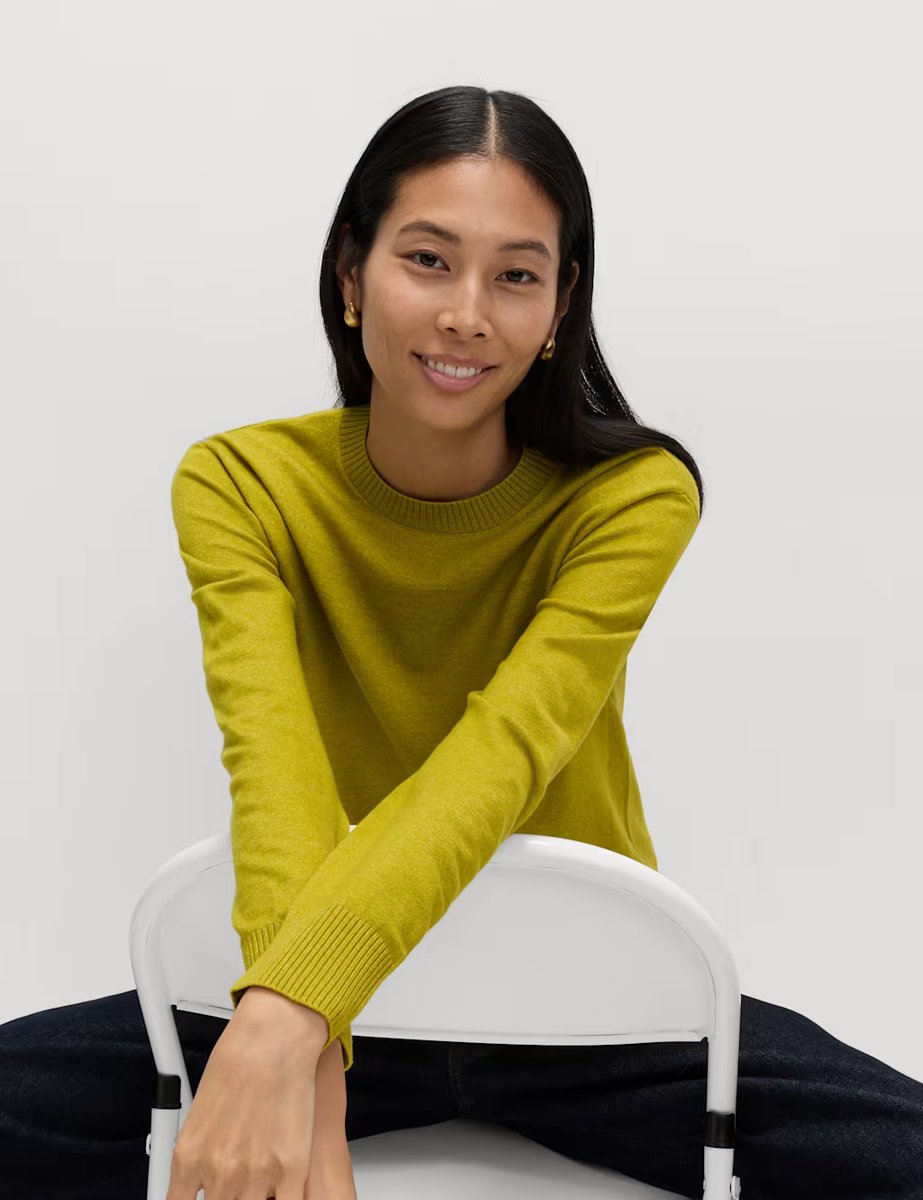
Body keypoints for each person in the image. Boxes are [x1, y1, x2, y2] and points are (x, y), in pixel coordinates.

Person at [2, 84, 921, 1200]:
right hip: (335, 999)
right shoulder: (239, 483)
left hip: (592, 1014)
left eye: (515, 276)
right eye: (427, 260)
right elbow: (275, 774)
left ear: (560, 304)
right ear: (351, 274)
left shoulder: (630, 495)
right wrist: (308, 1046)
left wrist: (290, 1025)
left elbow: (499, 759)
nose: (466, 314)